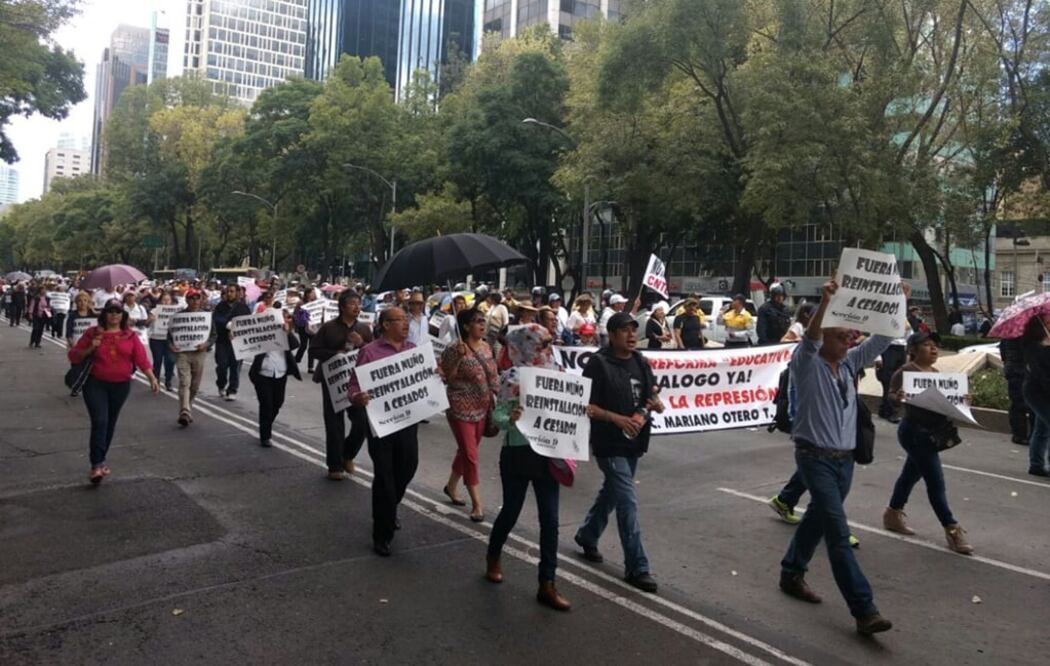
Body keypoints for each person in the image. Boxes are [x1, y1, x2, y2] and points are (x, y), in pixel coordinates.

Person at [777, 278, 900, 636]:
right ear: (824, 336)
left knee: (817, 518)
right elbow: (811, 338)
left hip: (844, 461)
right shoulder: (807, 362)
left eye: (850, 336)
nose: (849, 340)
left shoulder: (848, 364)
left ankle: (790, 572)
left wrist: (895, 303)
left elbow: (884, 338)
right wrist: (827, 303)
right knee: (837, 532)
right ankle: (864, 609)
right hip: (814, 459)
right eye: (841, 335)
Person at [485, 324, 577, 611]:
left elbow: (570, 407)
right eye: (541, 345)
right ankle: (493, 556)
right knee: (511, 512)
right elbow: (496, 418)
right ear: (525, 347)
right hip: (518, 453)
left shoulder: (559, 374)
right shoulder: (512, 377)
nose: (547, 350)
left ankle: (547, 583)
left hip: (549, 454)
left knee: (550, 520)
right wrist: (509, 417)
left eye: (548, 344)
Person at [574, 311, 664, 593]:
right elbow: (586, 406)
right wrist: (617, 418)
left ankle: (588, 535)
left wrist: (648, 409)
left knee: (612, 493)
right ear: (612, 335)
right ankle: (637, 567)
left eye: (633, 330)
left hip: (634, 441)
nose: (631, 335)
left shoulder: (641, 362)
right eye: (624, 330)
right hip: (609, 443)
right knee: (627, 501)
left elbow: (651, 396)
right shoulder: (599, 364)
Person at [883, 331, 973, 554]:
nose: (934, 349)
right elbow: (891, 396)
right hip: (914, 432)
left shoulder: (936, 373)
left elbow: (946, 402)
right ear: (912, 350)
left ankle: (893, 513)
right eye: (927, 345)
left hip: (932, 433)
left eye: (935, 346)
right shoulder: (905, 371)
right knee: (936, 482)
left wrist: (963, 401)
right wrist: (898, 396)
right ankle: (951, 528)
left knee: (910, 475)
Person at [348, 307, 420, 557]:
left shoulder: (413, 350)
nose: (405, 324)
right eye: (400, 320)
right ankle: (382, 534)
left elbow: (426, 380)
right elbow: (354, 385)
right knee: (385, 477)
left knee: (408, 467)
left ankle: (390, 507)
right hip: (381, 424)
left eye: (406, 320)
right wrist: (358, 396)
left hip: (408, 421)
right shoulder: (369, 352)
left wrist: (436, 375)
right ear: (385, 324)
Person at [68, 299, 159, 483]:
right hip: (95, 384)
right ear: (104, 314)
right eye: (110, 311)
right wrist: (90, 347)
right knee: (100, 421)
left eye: (118, 311)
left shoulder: (130, 336)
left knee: (109, 423)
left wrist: (152, 378)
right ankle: (96, 464)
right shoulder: (92, 333)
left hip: (121, 385)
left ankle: (101, 460)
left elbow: (141, 359)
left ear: (123, 315)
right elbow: (73, 355)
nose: (114, 315)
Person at [440, 308, 499, 522]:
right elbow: (448, 377)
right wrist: (458, 357)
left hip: (483, 408)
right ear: (465, 326)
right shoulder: (453, 349)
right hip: (460, 408)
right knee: (471, 455)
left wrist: (496, 395)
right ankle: (477, 504)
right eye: (477, 321)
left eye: (484, 321)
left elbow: (493, 373)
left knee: (466, 451)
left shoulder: (486, 347)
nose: (482, 325)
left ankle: (451, 486)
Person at [310, 289, 373, 480]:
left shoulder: (364, 329)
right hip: (333, 380)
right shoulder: (328, 328)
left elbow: (372, 352)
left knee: (361, 421)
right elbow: (314, 350)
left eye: (359, 303)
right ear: (343, 307)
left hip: (356, 381)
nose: (357, 307)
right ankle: (335, 465)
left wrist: (362, 343)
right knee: (334, 423)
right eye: (353, 303)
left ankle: (347, 454)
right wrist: (334, 354)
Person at [247, 308, 301, 448]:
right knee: (266, 404)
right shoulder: (261, 332)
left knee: (277, 403)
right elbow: (245, 341)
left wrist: (287, 333)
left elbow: (295, 345)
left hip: (280, 373)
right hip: (263, 373)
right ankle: (265, 436)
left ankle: (266, 424)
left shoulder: (285, 332)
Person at [169, 289, 214, 427]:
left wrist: (206, 344)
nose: (195, 301)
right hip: (183, 353)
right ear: (187, 300)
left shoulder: (206, 317)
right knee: (184, 382)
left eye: (197, 298)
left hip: (199, 353)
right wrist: (171, 346)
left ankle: (188, 405)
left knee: (194, 386)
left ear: (200, 300)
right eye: (191, 298)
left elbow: (214, 335)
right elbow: (169, 335)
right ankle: (185, 411)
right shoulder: (178, 317)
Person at [1022, 313, 1050, 477]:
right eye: (1048, 321)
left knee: (1042, 429)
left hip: (1045, 391)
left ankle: (1036, 465)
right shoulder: (1033, 346)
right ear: (1039, 325)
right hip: (1036, 392)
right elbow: (1040, 374)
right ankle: (1037, 464)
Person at [212, 284, 251, 401]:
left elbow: (248, 323)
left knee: (235, 367)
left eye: (232, 291)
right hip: (222, 341)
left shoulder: (243, 308)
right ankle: (221, 384)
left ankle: (232, 389)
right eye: (228, 291)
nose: (229, 293)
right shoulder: (220, 307)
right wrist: (227, 325)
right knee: (222, 365)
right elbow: (215, 319)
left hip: (238, 342)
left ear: (237, 293)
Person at [1000, 337, 1030, 445]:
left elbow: (1003, 351)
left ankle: (1019, 434)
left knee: (1017, 403)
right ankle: (1021, 435)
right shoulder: (1028, 335)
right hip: (1022, 371)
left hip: (1013, 370)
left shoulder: (1009, 334)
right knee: (1023, 405)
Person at [293, 287, 319, 372]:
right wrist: (297, 325)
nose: (313, 294)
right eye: (312, 292)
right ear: (307, 293)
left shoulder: (315, 303)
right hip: (303, 327)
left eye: (314, 293)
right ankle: (295, 361)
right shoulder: (301, 303)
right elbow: (295, 315)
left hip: (312, 327)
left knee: (311, 347)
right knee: (303, 345)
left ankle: (310, 367)